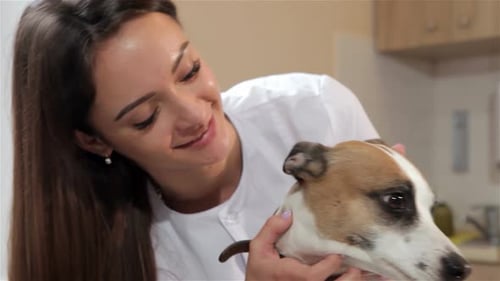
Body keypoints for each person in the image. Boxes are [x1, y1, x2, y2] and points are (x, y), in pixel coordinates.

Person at [8, 0, 400, 280]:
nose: (195, 116)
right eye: (146, 117)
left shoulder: (315, 109)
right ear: (94, 141)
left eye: (189, 71)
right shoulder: (108, 252)